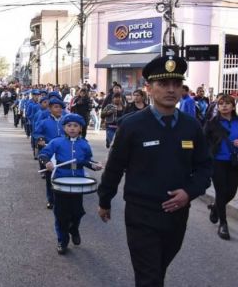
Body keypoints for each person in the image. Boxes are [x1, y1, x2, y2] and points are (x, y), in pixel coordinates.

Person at [97, 55, 212, 287]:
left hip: (177, 215)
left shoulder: (192, 126)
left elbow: (204, 167)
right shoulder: (131, 125)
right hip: (142, 214)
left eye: (176, 84)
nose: (171, 90)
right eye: (163, 84)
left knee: (158, 269)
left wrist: (188, 193)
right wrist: (104, 200)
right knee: (149, 277)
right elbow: (115, 167)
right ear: (148, 88)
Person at [39, 114, 102, 255]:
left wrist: (94, 166)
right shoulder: (57, 142)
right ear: (64, 127)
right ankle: (62, 240)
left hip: (78, 182)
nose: (72, 128)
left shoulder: (84, 144)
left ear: (80, 128)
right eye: (69, 126)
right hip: (60, 181)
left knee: (77, 212)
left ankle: (74, 229)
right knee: (61, 214)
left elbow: (87, 161)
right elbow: (44, 154)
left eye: (75, 126)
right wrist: (47, 162)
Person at [203, 94, 238, 240]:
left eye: (227, 103)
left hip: (235, 162)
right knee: (221, 191)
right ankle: (223, 225)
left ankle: (216, 207)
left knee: (231, 192)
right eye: (221, 103)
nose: (224, 105)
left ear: (233, 106)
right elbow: (203, 141)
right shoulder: (212, 123)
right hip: (217, 162)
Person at [33, 98, 66, 209]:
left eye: (60, 107)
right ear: (50, 109)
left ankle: (62, 197)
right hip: (49, 153)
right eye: (56, 107)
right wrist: (40, 139)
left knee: (63, 174)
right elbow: (36, 133)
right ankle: (51, 199)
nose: (59, 109)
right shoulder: (44, 122)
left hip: (63, 153)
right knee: (49, 177)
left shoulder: (66, 122)